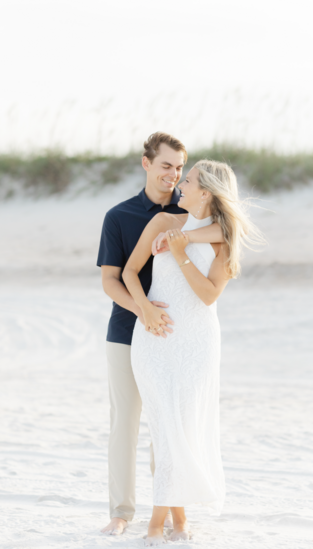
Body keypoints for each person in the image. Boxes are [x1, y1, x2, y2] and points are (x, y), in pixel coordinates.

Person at [123, 159, 264, 545]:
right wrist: (144, 309)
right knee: (165, 426)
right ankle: (166, 521)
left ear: (207, 192)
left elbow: (206, 295)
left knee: (181, 428)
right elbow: (128, 273)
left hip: (197, 343)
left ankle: (171, 519)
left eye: (188, 180)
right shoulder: (163, 223)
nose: (179, 185)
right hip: (153, 337)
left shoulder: (223, 239)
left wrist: (182, 251)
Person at [97, 132, 225, 536]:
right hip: (127, 330)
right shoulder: (119, 217)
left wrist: (181, 239)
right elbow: (111, 280)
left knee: (170, 424)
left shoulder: (188, 213)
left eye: (181, 168)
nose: (175, 174)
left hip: (178, 335)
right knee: (127, 423)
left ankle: (171, 511)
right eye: (167, 165)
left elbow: (226, 233)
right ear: (147, 164)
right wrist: (144, 311)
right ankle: (120, 512)